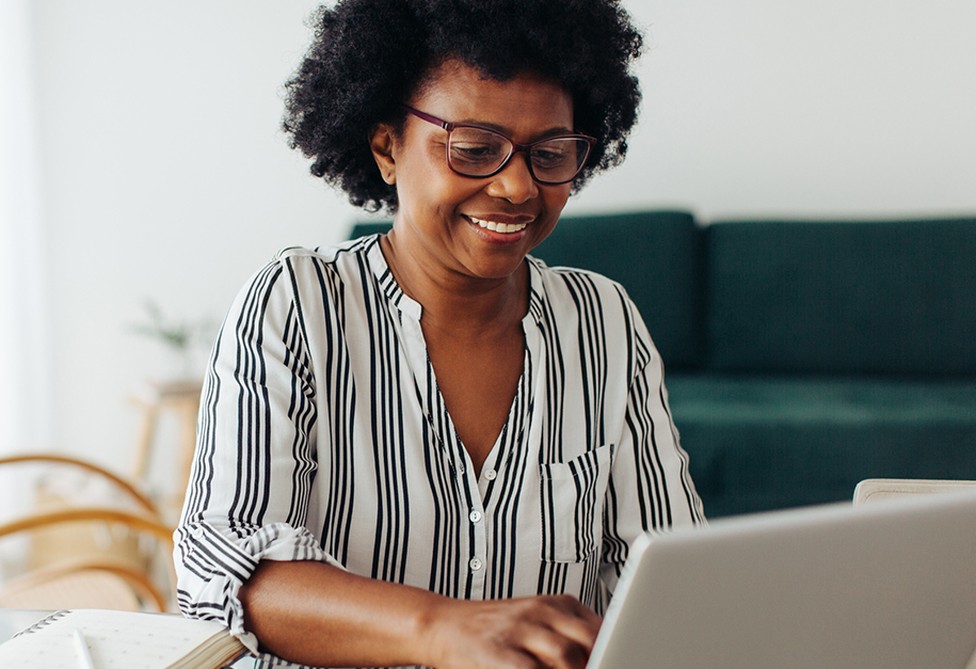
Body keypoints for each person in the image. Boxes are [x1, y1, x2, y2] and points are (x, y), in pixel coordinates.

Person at [174, 0, 704, 666]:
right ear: (386, 146)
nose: (518, 186)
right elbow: (227, 567)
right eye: (475, 149)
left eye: (550, 153)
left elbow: (673, 576)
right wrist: (441, 629)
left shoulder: (603, 321)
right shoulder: (297, 305)